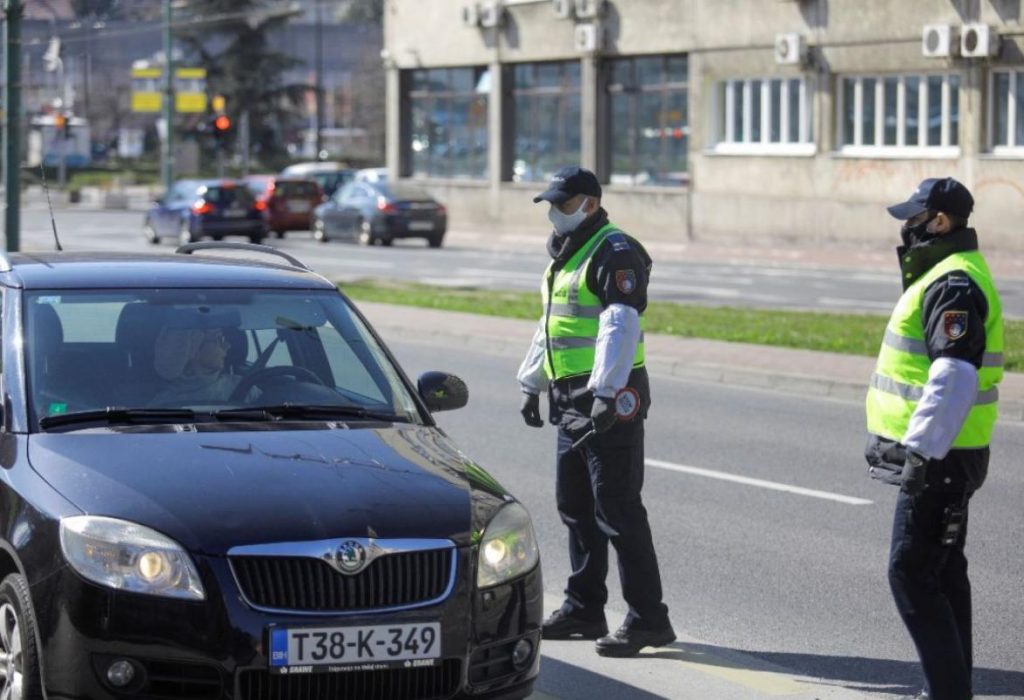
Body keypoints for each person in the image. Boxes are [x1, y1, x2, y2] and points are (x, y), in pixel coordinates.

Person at [517, 165, 675, 658]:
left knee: (619, 510)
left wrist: (606, 392)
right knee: (577, 509)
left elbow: (618, 325)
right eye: (550, 204)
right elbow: (554, 326)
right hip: (569, 399)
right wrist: (532, 382)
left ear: (589, 202)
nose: (554, 213)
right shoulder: (565, 255)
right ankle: (585, 608)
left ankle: (649, 619)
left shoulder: (614, 250)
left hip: (609, 400)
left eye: (562, 204)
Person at [865, 177, 1003, 700]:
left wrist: (920, 450)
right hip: (953, 453)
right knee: (944, 572)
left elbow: (954, 376)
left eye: (914, 217)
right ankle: (948, 688)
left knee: (911, 573)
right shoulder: (952, 273)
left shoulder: (953, 282)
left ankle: (947, 693)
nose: (907, 226)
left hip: (940, 457)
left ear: (939, 221)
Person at [152, 325, 244, 404]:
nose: (227, 345)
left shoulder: (243, 386)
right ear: (194, 348)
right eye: (219, 339)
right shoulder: (162, 404)